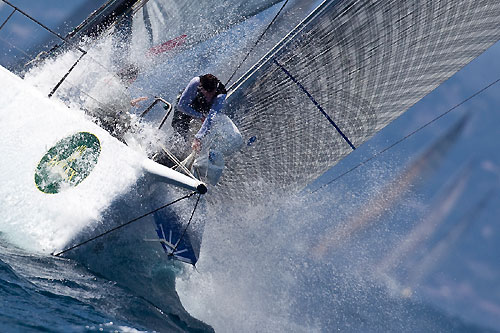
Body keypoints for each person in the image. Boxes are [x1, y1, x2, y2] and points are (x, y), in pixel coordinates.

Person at [172, 74, 227, 152]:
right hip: (188, 103)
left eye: (212, 93)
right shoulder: (195, 82)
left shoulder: (221, 94)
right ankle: (174, 151)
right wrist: (199, 116)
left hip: (204, 105)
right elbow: (181, 106)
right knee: (180, 131)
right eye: (207, 93)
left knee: (210, 123)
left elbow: (211, 117)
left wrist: (198, 138)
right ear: (201, 87)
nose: (209, 96)